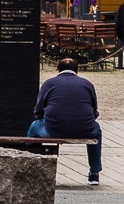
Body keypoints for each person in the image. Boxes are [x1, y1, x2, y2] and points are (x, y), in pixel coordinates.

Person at [29, 56, 103, 184]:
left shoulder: (49, 83)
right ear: (77, 70)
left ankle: (32, 168)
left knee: (33, 128)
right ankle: (94, 173)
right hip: (85, 129)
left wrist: (44, 118)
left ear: (58, 70)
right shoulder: (87, 84)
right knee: (97, 131)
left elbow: (38, 109)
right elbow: (94, 110)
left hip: (53, 129)